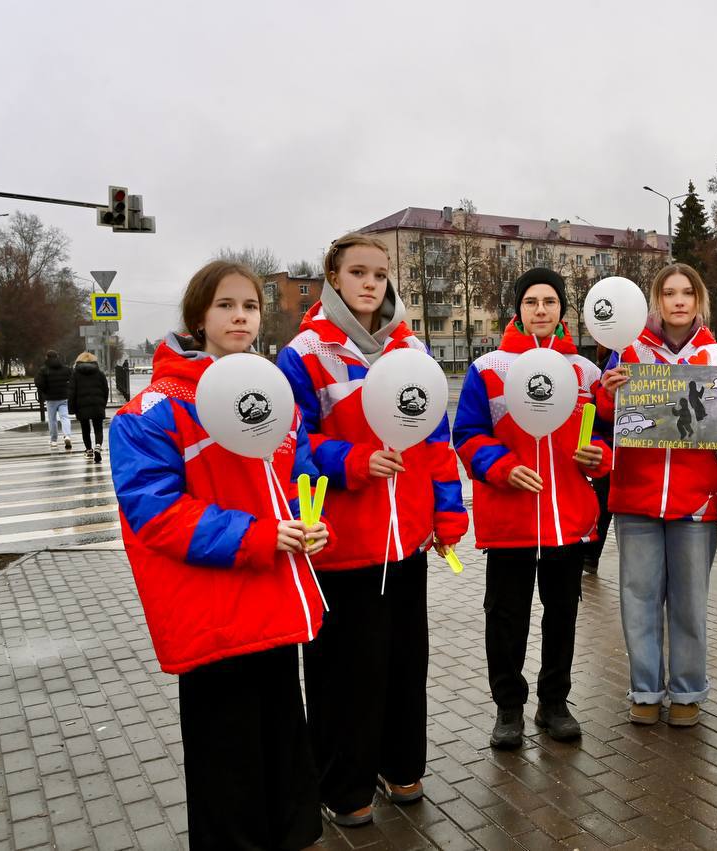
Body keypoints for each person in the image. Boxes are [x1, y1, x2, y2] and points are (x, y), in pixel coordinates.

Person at [109, 260, 329, 850]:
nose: (240, 317)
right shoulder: (155, 409)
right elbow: (154, 512)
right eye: (226, 305)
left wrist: (313, 522)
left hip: (276, 606)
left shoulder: (269, 393)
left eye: (251, 307)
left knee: (283, 748)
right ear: (198, 316)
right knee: (226, 764)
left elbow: (299, 474)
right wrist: (257, 537)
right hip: (215, 616)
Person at [278, 232, 467, 827]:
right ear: (333, 278)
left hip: (406, 538)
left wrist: (448, 510)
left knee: (406, 663)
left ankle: (401, 766)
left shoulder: (411, 349)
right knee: (345, 674)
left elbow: (435, 439)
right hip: (343, 542)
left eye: (380, 274)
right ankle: (344, 786)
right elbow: (290, 443)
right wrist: (352, 463)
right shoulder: (304, 352)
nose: (369, 283)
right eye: (357, 272)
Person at [453, 268, 612, 750]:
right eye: (530, 302)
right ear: (517, 310)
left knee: (562, 614)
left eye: (549, 302)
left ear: (562, 310)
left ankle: (554, 702)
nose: (540, 310)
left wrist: (600, 459)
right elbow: (467, 434)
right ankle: (508, 707)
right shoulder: (490, 368)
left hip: (569, 518)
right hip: (510, 518)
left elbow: (607, 437)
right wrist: (501, 467)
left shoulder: (586, 373)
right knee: (506, 618)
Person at [595, 263, 717, 727]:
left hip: (694, 501)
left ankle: (687, 692)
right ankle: (645, 690)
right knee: (638, 598)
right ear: (656, 300)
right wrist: (607, 393)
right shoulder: (628, 352)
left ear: (699, 300)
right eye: (669, 292)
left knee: (689, 602)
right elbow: (605, 416)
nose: (679, 301)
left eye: (687, 292)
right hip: (636, 497)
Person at [581, 344, 616, 575]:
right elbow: (593, 415)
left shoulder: (613, 358)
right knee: (603, 504)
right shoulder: (614, 360)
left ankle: (591, 555)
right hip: (608, 447)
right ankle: (590, 555)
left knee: (603, 504)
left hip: (613, 446)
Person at [68, 352, 110, 463]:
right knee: (98, 428)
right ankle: (98, 446)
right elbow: (106, 390)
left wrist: (72, 408)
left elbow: (72, 392)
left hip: (81, 406)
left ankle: (89, 450)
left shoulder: (75, 374)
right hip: (97, 405)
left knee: (85, 429)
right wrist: (103, 404)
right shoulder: (100, 373)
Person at [34, 349, 73, 450]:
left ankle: (54, 440)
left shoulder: (44, 369)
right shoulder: (65, 368)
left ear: (47, 357)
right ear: (57, 357)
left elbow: (38, 382)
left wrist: (45, 390)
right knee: (65, 417)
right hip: (63, 397)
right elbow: (72, 378)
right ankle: (67, 435)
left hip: (51, 398)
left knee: (52, 420)